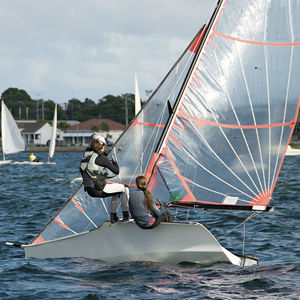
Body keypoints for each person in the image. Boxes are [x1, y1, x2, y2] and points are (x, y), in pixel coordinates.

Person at [80, 134, 129, 223]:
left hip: (89, 189)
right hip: (99, 189)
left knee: (117, 191)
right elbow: (116, 171)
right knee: (125, 188)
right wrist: (115, 162)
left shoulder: (86, 156)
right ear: (101, 145)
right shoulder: (102, 159)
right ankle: (126, 215)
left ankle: (113, 217)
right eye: (104, 145)